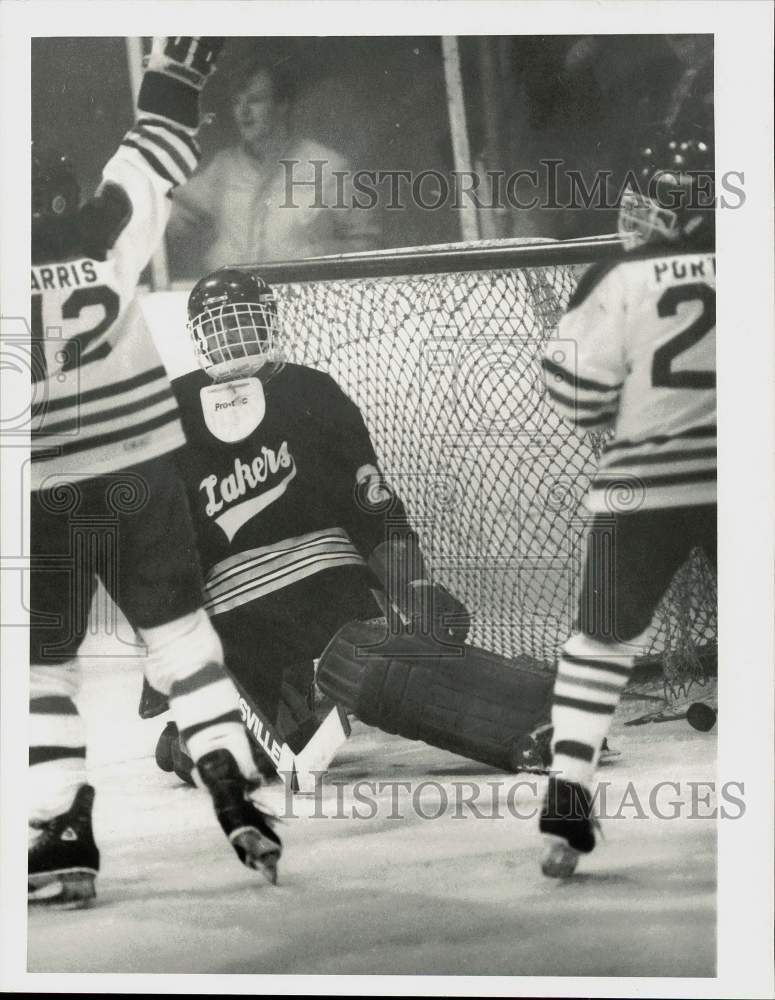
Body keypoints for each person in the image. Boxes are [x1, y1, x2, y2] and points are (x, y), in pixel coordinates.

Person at [29, 38, 282, 907]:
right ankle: (225, 765)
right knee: (178, 636)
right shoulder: (103, 227)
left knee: (40, 669)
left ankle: (59, 824)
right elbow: (156, 151)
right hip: (139, 468)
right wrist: (173, 79)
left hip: (37, 493)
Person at [141, 267, 470, 781]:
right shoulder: (168, 410)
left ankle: (261, 707)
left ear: (269, 324)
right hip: (241, 620)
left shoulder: (312, 391)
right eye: (220, 328)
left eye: (245, 324)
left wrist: (415, 585)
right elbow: (154, 537)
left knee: (381, 685)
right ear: (200, 338)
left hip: (328, 596)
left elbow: (370, 501)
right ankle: (240, 717)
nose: (234, 338)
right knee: (255, 754)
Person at [538, 131, 716, 876]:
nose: (634, 221)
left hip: (640, 483)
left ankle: (567, 804)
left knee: (599, 643)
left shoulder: (616, 277)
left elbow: (576, 396)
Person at [167, 52, 379, 275]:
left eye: (255, 100)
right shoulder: (223, 168)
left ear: (282, 105)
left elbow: (366, 244)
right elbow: (170, 214)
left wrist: (315, 258)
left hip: (303, 300)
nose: (244, 112)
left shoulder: (328, 167)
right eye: (237, 102)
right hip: (236, 302)